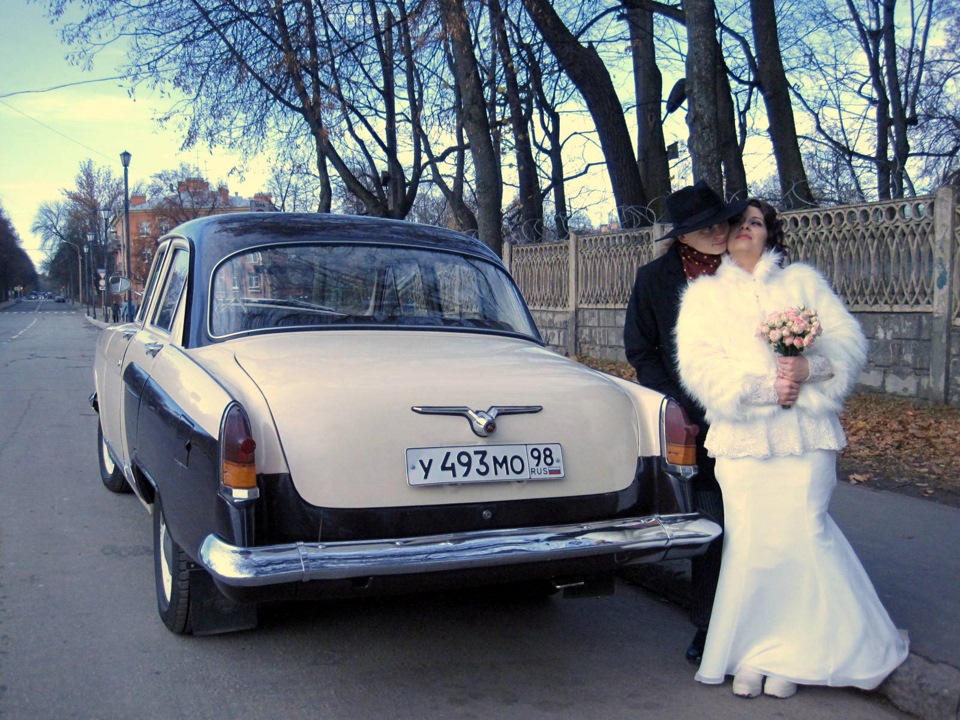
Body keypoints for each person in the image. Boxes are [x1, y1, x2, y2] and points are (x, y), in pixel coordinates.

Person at [674, 199, 908, 699]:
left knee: (806, 533)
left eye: (756, 222)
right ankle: (756, 652)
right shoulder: (702, 296)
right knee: (754, 544)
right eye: (738, 223)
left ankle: (799, 655)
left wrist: (808, 369)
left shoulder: (803, 283)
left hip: (805, 433)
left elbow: (846, 343)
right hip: (743, 438)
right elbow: (699, 366)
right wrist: (765, 390)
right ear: (724, 235)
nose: (745, 229)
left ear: (769, 234)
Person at [623, 180, 747, 665]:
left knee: (757, 524)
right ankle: (709, 626)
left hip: (754, 418)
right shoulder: (655, 279)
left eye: (721, 222)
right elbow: (641, 350)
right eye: (703, 227)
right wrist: (676, 408)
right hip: (697, 424)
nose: (718, 232)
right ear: (681, 235)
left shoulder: (746, 269)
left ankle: (762, 623)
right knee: (713, 525)